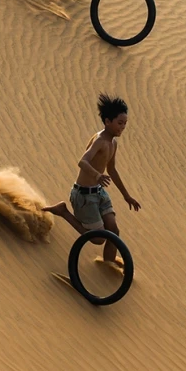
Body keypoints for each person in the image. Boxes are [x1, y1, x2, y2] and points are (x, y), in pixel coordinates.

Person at [42, 94, 142, 268]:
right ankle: (63, 211)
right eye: (120, 123)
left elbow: (111, 170)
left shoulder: (113, 143)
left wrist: (127, 196)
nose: (123, 127)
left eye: (125, 123)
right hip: (83, 196)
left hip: (99, 193)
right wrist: (97, 175)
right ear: (107, 121)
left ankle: (108, 264)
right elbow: (82, 161)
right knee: (97, 239)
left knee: (114, 231)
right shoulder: (100, 141)